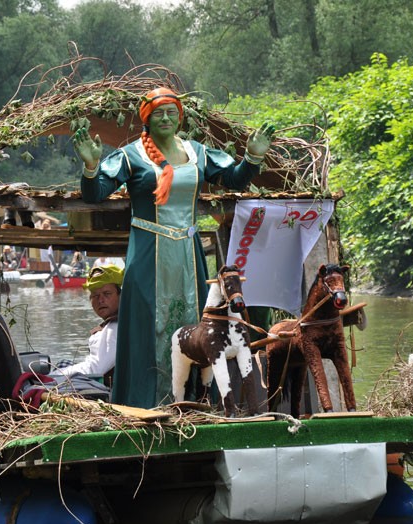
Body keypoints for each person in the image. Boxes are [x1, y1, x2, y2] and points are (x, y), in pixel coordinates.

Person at [73, 87, 274, 407]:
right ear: (146, 119)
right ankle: (143, 404)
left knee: (196, 327)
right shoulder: (131, 155)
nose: (165, 118)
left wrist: (253, 157)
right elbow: (95, 193)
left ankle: (193, 402)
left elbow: (235, 179)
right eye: (157, 113)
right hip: (147, 254)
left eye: (171, 112)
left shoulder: (198, 152)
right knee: (145, 329)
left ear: (180, 117)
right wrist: (90, 166)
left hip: (187, 255)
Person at [49, 264, 123, 381]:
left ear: (120, 296)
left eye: (107, 294)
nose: (101, 300)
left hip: (111, 393)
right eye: (95, 295)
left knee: (61, 368)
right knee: (63, 363)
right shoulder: (117, 323)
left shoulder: (114, 327)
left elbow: (95, 369)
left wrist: (54, 377)